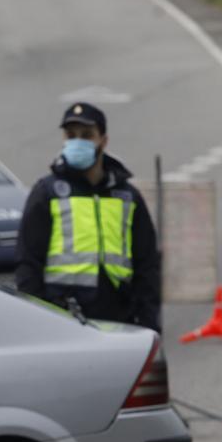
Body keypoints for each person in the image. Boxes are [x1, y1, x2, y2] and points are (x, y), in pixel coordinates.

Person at [15, 102, 161, 330]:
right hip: (62, 319)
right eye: (70, 135)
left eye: (86, 135)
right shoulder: (48, 193)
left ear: (103, 141)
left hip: (118, 317)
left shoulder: (126, 196)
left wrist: (150, 322)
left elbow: (147, 265)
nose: (77, 142)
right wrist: (36, 320)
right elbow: (29, 263)